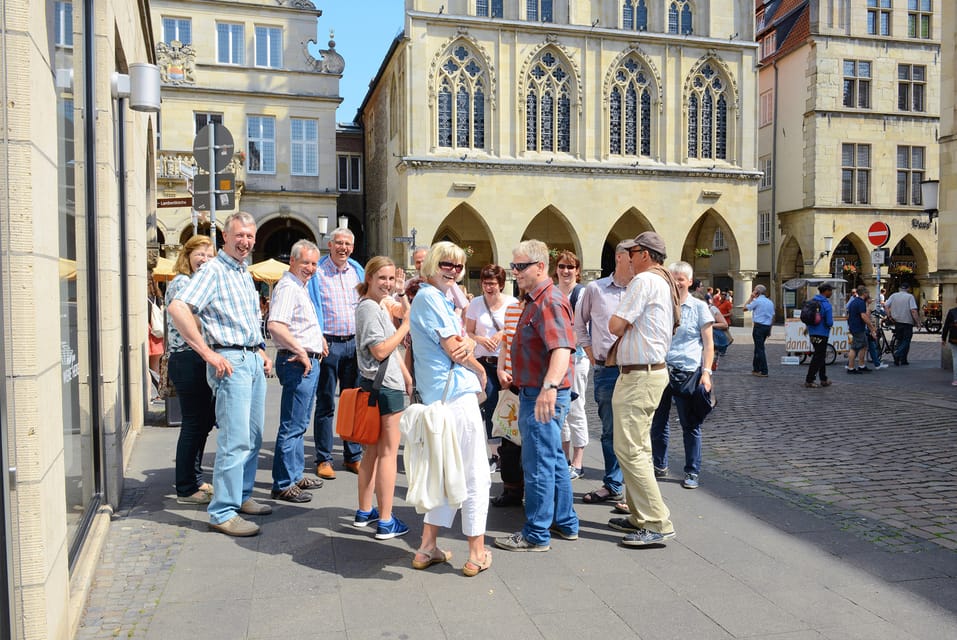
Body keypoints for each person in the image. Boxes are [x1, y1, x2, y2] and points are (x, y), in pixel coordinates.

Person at [168, 212, 274, 537]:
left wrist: (259, 350)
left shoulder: (242, 272)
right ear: (225, 238)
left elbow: (241, 319)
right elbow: (178, 308)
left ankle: (240, 497)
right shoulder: (214, 269)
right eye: (239, 235)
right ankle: (223, 511)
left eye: (250, 236)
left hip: (249, 358)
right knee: (234, 438)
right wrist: (207, 352)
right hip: (229, 361)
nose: (245, 241)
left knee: (253, 437)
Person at [408, 241, 492, 577]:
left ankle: (427, 547)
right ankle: (476, 552)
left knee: (444, 472)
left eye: (458, 267)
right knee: (475, 475)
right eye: (447, 264)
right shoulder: (431, 297)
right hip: (455, 397)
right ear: (432, 264)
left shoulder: (435, 297)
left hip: (439, 399)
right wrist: (480, 364)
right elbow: (456, 349)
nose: (453, 271)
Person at [494, 240, 579, 552]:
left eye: (520, 267)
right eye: (514, 266)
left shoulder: (549, 302)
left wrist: (549, 387)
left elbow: (562, 348)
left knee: (539, 464)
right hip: (536, 392)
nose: (515, 272)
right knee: (554, 460)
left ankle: (536, 534)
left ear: (540, 267)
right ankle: (565, 522)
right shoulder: (537, 299)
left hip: (542, 395)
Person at [607, 231, 678, 547]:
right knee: (636, 448)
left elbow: (614, 325)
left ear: (645, 254)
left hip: (640, 376)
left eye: (631, 252)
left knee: (631, 449)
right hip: (646, 374)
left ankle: (656, 522)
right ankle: (639, 515)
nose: (628, 257)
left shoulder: (645, 281)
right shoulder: (660, 281)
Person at [353, 256, 414, 539]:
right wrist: (405, 328)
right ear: (369, 278)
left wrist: (401, 292)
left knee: (374, 452)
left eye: (390, 278)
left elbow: (400, 316)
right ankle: (386, 520)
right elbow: (380, 350)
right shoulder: (368, 308)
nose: (387, 284)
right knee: (387, 453)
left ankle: (365, 511)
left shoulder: (376, 305)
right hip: (384, 388)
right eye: (383, 279)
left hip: (382, 384)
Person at [266, 240, 327, 504]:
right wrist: (302, 351)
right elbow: (276, 326)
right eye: (306, 263)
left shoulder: (299, 287)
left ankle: (295, 474)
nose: (311, 268)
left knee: (300, 424)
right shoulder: (289, 287)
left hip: (306, 360)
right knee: (292, 425)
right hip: (297, 362)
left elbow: (299, 324)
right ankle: (282, 483)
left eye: (314, 263)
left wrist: (318, 340)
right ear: (292, 261)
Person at [576, 241, 633, 505]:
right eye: (634, 255)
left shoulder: (641, 288)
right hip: (607, 369)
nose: (639, 260)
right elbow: (579, 324)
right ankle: (613, 484)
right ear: (620, 257)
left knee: (635, 431)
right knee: (610, 430)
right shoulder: (595, 289)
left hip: (636, 369)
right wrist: (591, 354)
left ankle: (634, 492)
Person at [650, 262, 714, 490]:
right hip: (661, 369)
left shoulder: (699, 307)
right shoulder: (661, 306)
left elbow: (708, 344)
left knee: (691, 424)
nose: (677, 282)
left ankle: (692, 471)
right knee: (658, 422)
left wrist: (706, 373)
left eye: (681, 278)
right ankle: (659, 464)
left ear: (689, 281)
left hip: (688, 372)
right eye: (673, 277)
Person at [307, 227, 364, 479]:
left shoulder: (357, 271)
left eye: (348, 244)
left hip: (353, 344)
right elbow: (309, 306)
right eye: (339, 243)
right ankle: (324, 458)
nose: (343, 248)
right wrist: (316, 336)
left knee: (352, 403)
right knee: (326, 403)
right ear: (329, 245)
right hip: (328, 345)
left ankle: (353, 456)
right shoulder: (317, 272)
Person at [164, 235, 216, 505]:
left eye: (209, 256)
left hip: (197, 358)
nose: (205, 260)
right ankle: (185, 487)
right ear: (187, 256)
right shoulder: (182, 283)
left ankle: (194, 478)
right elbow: (194, 319)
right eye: (200, 254)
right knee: (194, 423)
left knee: (204, 422)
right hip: (187, 358)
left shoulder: (197, 283)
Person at [465, 264, 517, 471]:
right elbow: (468, 332)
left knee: (508, 406)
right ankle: (495, 453)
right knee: (491, 401)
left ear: (501, 284)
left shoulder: (512, 303)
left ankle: (509, 448)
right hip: (484, 362)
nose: (489, 287)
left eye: (492, 284)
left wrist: (500, 334)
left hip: (504, 364)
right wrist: (480, 339)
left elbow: (514, 330)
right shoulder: (476, 304)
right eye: (485, 283)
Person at [553, 251, 589, 480]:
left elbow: (579, 327)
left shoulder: (581, 293)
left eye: (570, 267)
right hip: (557, 358)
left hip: (576, 358)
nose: (565, 271)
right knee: (561, 410)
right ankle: (564, 458)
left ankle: (578, 461)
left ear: (577, 270)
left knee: (576, 409)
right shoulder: (554, 292)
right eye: (562, 266)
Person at [491, 289, 527, 507]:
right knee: (509, 441)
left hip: (533, 385)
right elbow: (506, 343)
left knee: (532, 444)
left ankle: (534, 492)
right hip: (511, 383)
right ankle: (512, 490)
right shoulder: (512, 310)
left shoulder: (543, 309)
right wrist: (500, 370)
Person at [804, 282, 835, 388]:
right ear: (826, 291)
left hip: (812, 333)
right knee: (818, 357)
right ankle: (809, 379)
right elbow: (829, 322)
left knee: (820, 355)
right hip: (822, 333)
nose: (831, 293)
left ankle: (823, 378)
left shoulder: (812, 301)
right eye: (830, 291)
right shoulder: (826, 304)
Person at [885, 282, 922, 366]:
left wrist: (889, 316)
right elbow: (913, 310)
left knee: (899, 340)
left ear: (900, 288)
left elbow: (886, 306)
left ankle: (900, 360)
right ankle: (898, 353)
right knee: (906, 340)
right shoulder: (910, 297)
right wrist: (918, 322)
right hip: (907, 322)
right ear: (908, 289)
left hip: (897, 321)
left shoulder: (893, 295)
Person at [845, 285, 876, 375]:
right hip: (857, 328)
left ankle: (861, 365)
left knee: (864, 345)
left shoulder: (854, 301)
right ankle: (850, 367)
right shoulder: (861, 302)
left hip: (855, 327)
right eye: (868, 293)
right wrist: (871, 326)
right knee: (854, 348)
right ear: (864, 293)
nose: (869, 295)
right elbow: (863, 316)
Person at [745, 284, 774, 377]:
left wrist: (750, 297)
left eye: (754, 290)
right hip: (767, 327)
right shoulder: (770, 302)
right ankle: (756, 368)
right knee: (758, 348)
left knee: (760, 349)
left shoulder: (757, 301)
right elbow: (773, 316)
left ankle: (764, 370)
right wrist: (770, 329)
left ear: (757, 292)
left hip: (759, 327)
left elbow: (744, 308)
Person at [942, 297, 957, 387]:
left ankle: (956, 379)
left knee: (955, 358)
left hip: (954, 338)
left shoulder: (952, 312)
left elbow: (946, 326)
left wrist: (943, 338)